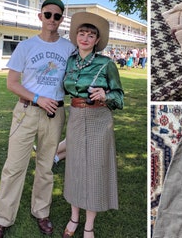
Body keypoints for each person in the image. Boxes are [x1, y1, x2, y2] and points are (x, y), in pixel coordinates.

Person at [0, 0, 76, 238]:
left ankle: (41, 212)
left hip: (55, 113)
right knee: (14, 167)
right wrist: (38, 98)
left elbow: (77, 75)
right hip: (27, 111)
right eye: (48, 14)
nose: (52, 20)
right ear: (40, 16)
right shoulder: (26, 46)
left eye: (57, 16)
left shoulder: (69, 49)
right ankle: (2, 219)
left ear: (61, 20)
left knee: (46, 166)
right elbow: (12, 83)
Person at [62, 12, 124, 238]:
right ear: (76, 36)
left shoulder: (106, 63)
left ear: (97, 40)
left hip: (100, 119)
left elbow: (120, 97)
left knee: (95, 170)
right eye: (82, 33)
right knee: (76, 167)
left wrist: (105, 94)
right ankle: (73, 217)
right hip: (76, 116)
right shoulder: (69, 61)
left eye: (91, 35)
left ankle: (89, 224)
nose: (85, 38)